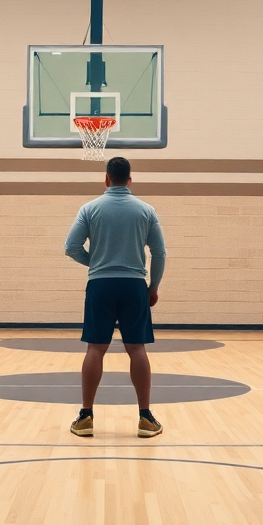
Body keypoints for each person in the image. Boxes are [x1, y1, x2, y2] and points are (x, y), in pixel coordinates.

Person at [64, 156, 167, 438]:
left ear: (106, 179)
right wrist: (153, 286)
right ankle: (145, 418)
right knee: (137, 349)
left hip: (100, 285)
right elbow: (159, 253)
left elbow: (71, 247)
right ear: (129, 181)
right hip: (134, 285)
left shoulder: (90, 208)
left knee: (95, 349)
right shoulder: (146, 210)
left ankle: (85, 417)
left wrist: (96, 262)